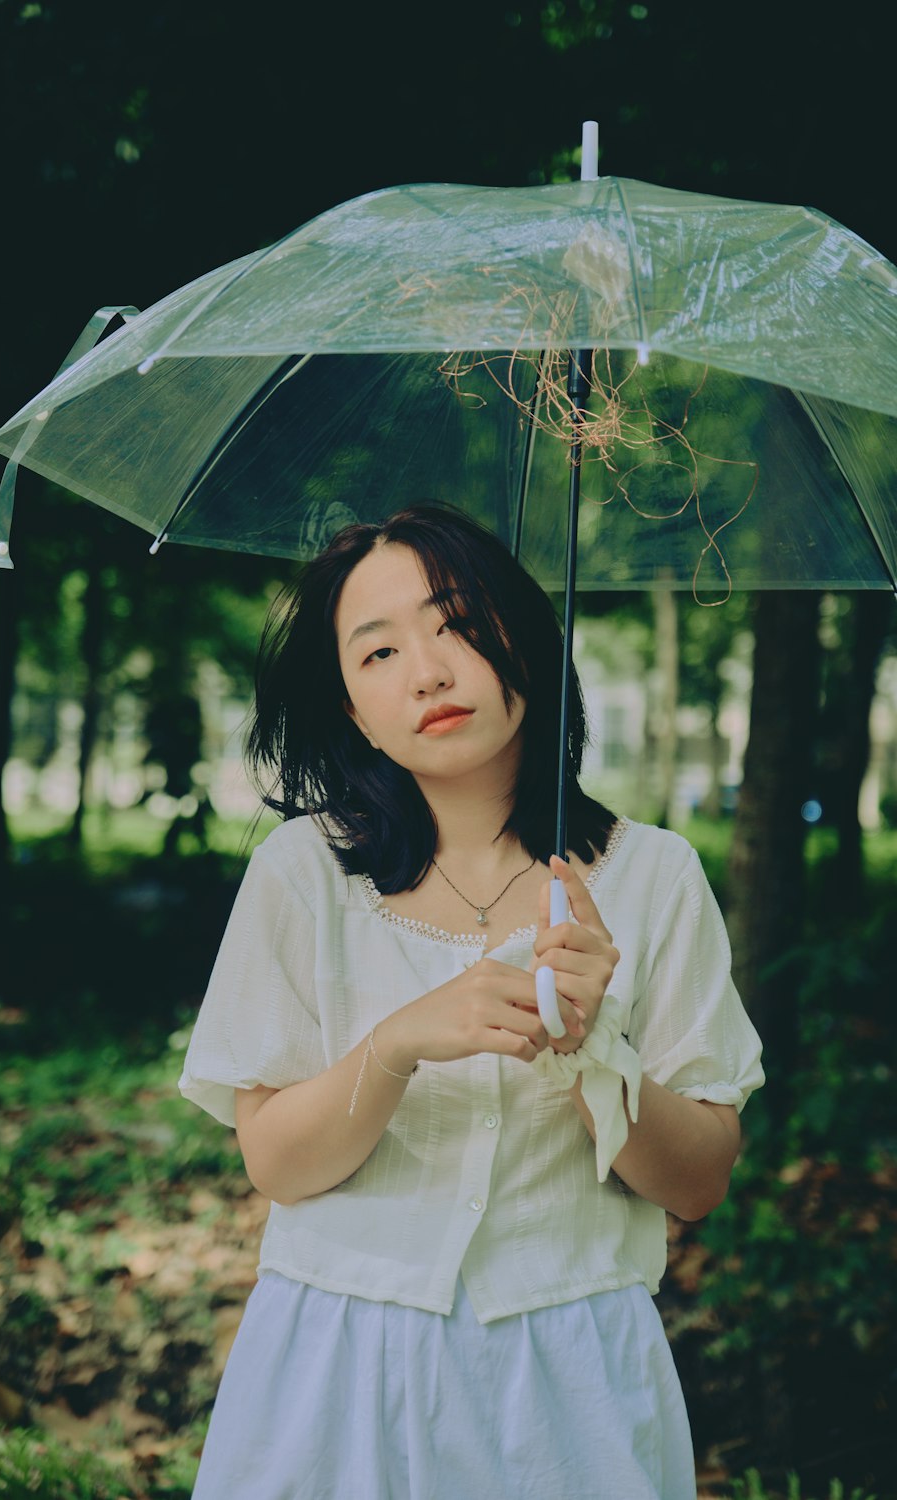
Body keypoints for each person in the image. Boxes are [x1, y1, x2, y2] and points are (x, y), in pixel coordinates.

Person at [179, 503, 764, 1500]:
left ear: (524, 641)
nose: (427, 671)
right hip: (336, 1361)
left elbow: (699, 1181)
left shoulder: (654, 877)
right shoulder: (303, 875)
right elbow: (275, 1159)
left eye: (455, 622)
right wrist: (399, 1043)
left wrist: (594, 1050)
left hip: (569, 1377)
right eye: (377, 653)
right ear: (353, 708)